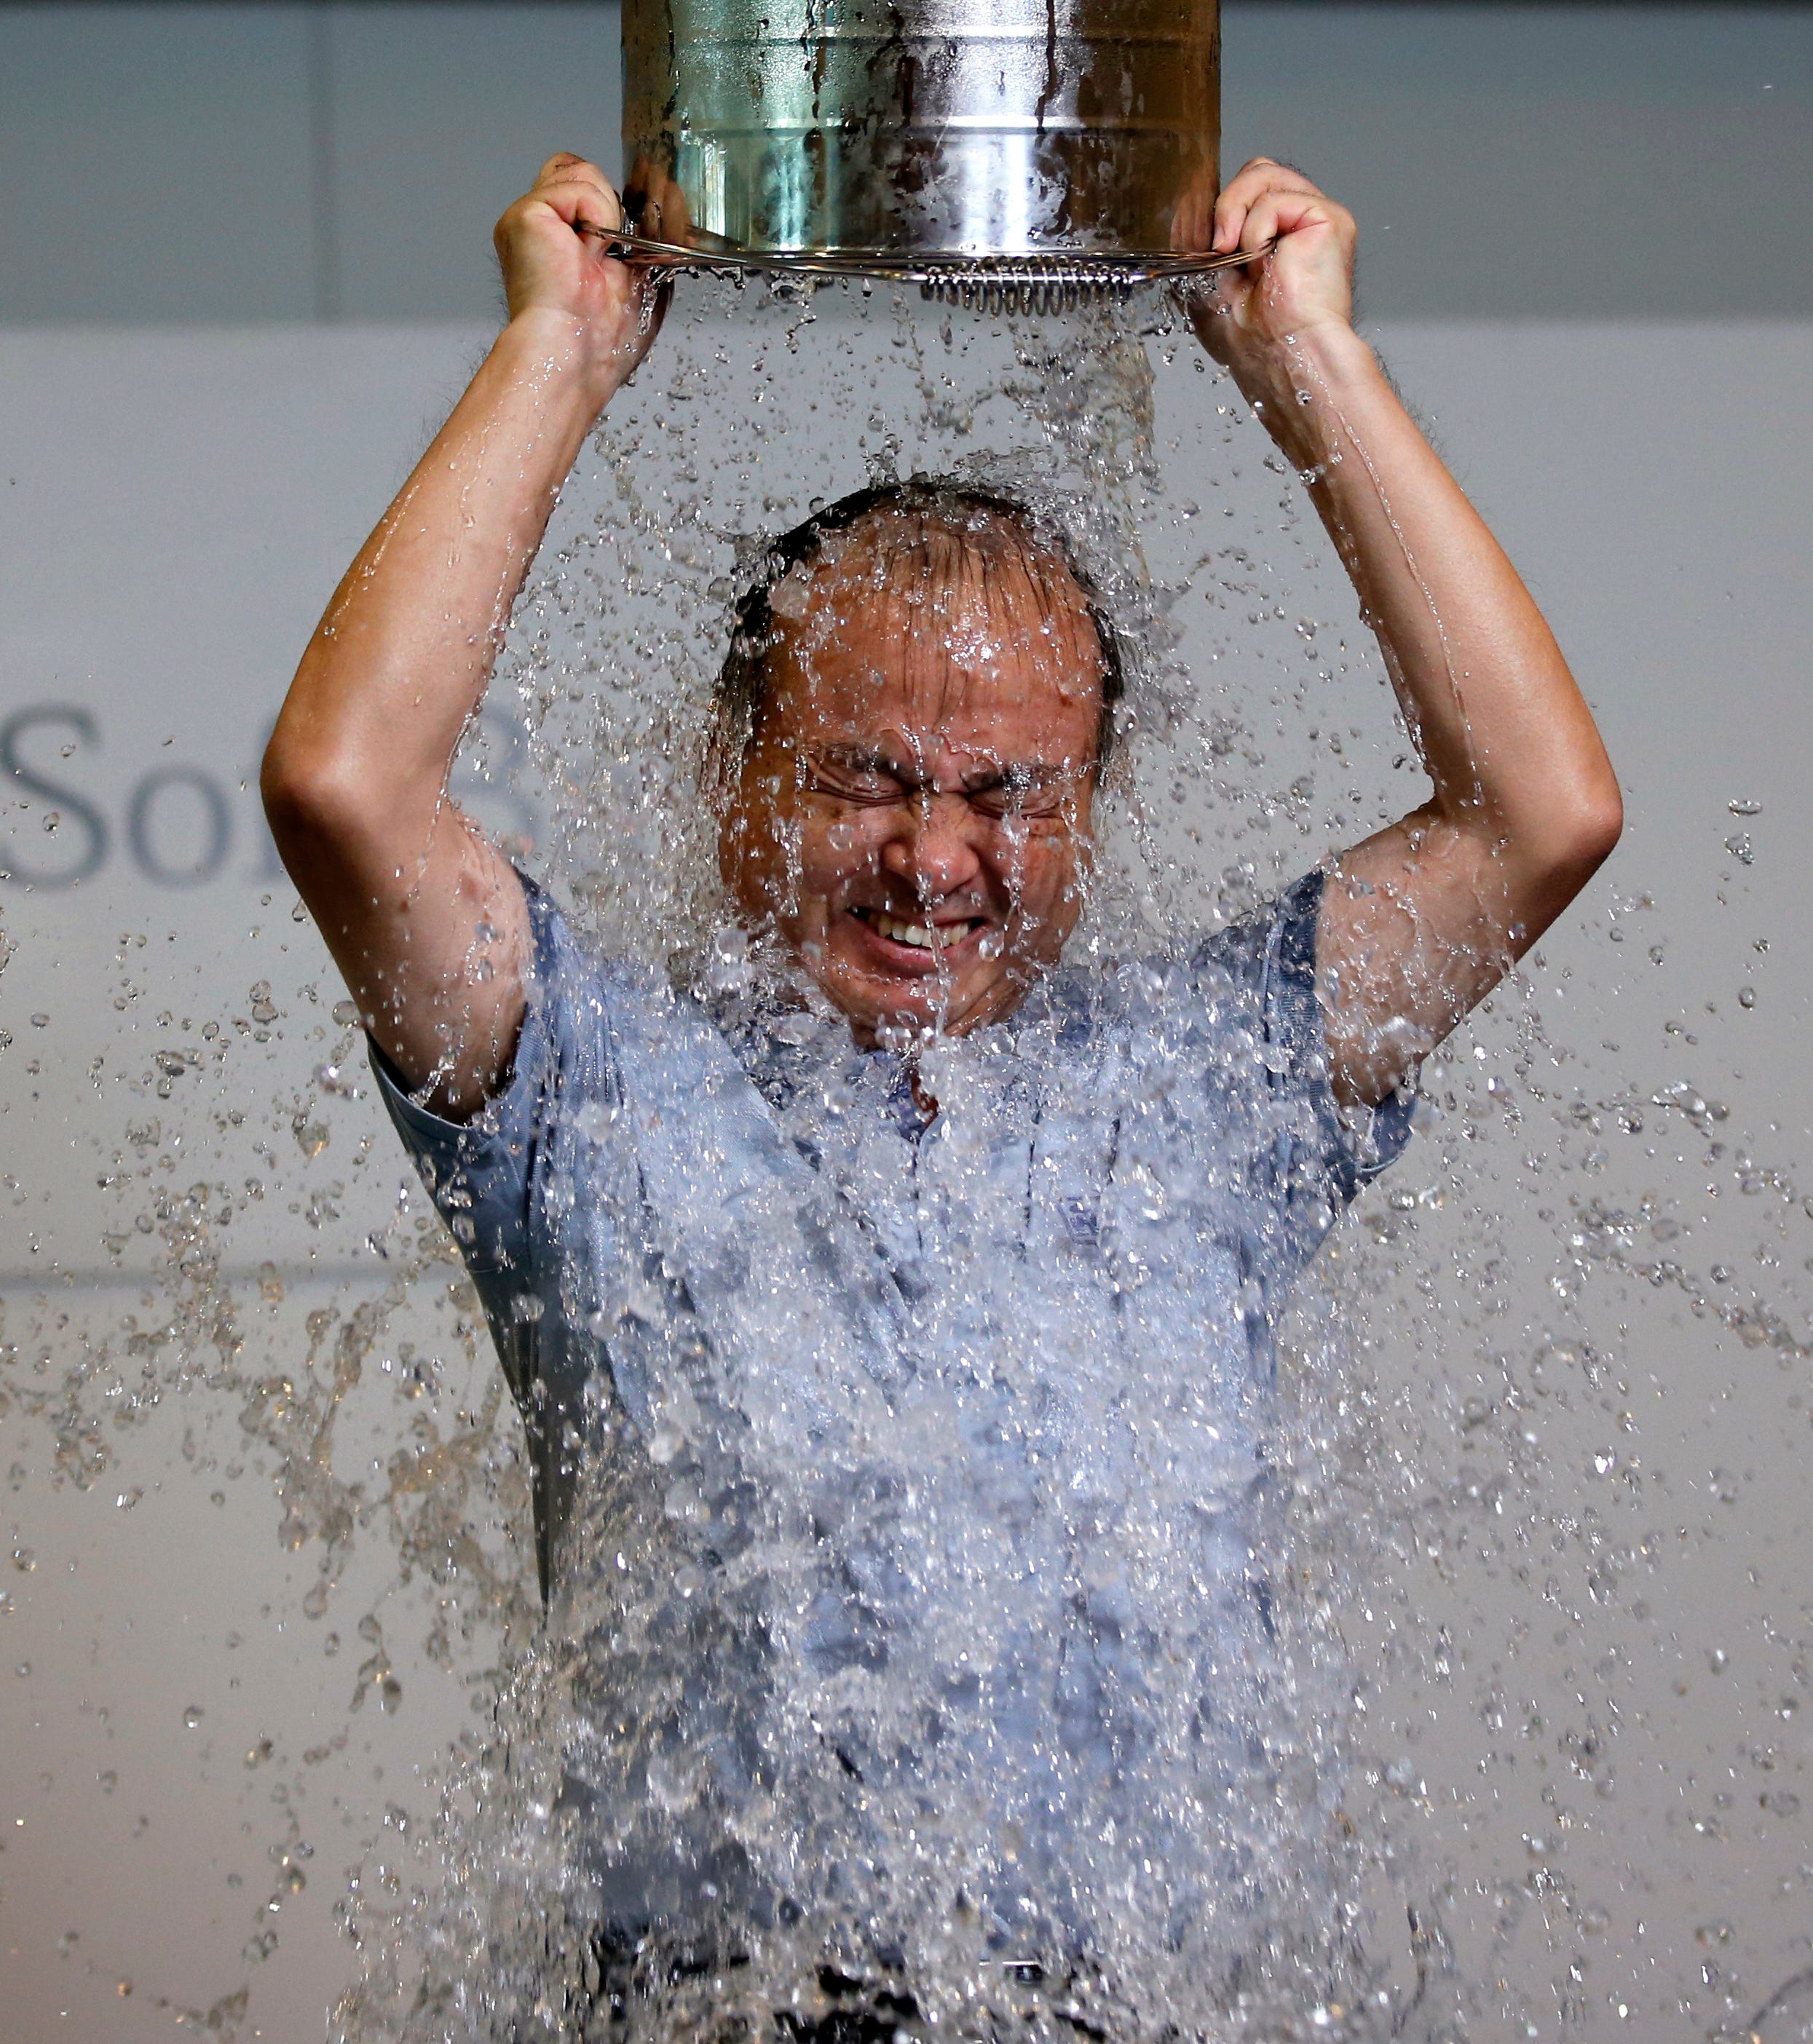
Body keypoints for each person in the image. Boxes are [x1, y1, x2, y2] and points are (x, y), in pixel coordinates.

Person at [264, 154, 1620, 2035]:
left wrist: (1303, 362)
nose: (933, 857)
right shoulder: (591, 1091)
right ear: (732, 770)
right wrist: (555, 359)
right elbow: (346, 787)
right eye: (858, 776)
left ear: (1088, 805)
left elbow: (1533, 816)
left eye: (1009, 794)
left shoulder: (1197, 1095)